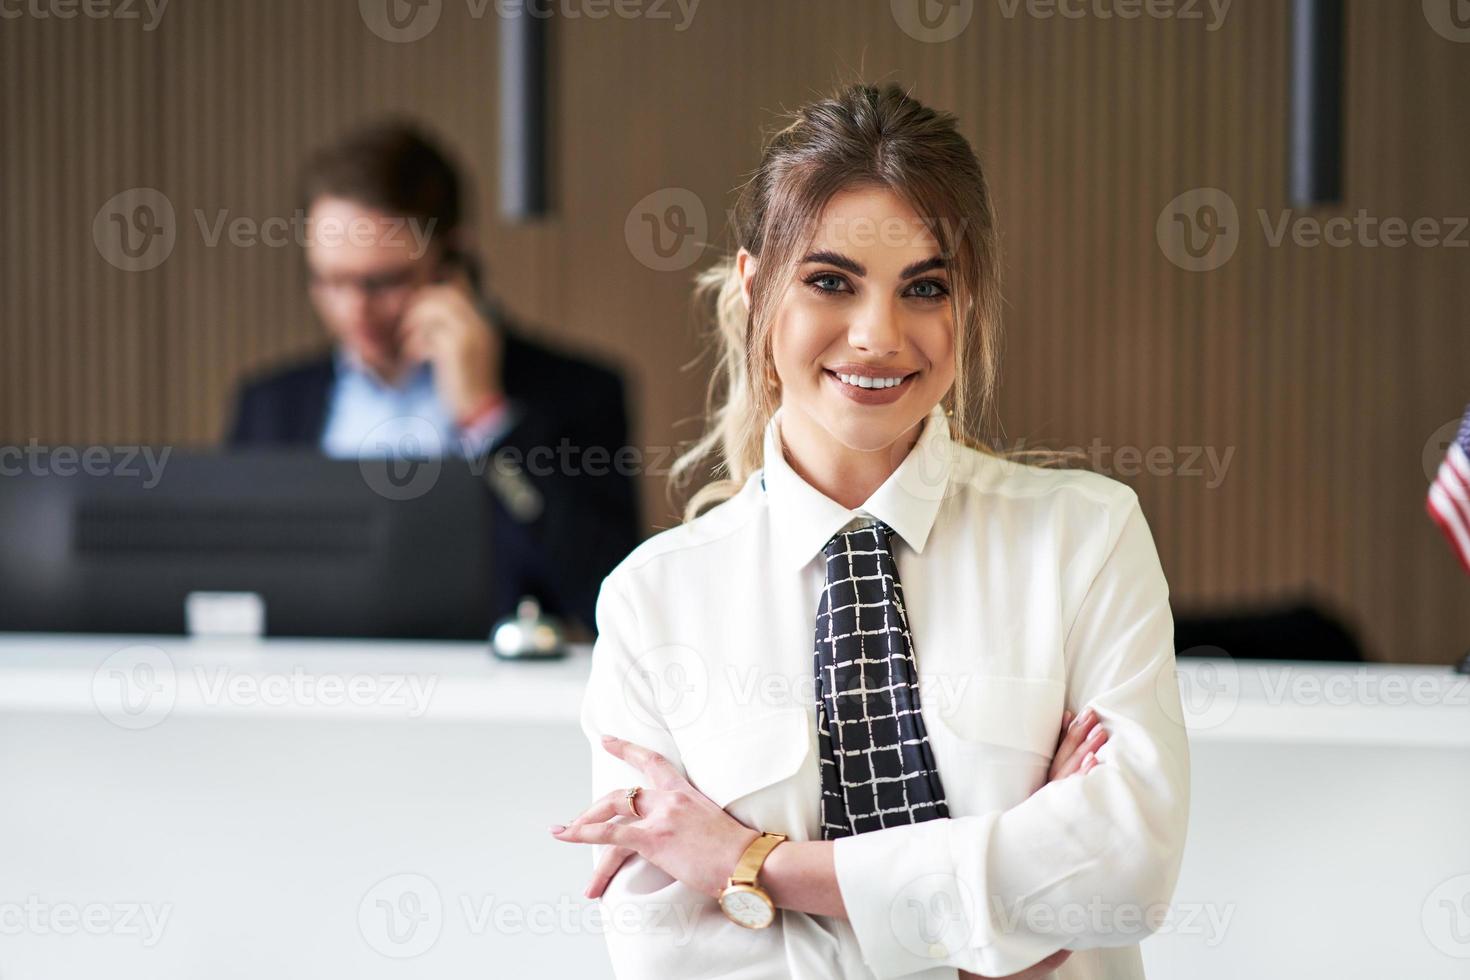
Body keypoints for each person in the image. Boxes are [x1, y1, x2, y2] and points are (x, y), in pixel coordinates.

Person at [555, 84, 1190, 979]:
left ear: (964, 307)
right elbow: (670, 958)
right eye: (830, 282)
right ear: (755, 290)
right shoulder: (654, 600)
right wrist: (999, 943)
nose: (876, 335)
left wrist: (753, 866)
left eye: (923, 287)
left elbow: (1124, 876)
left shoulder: (1084, 541)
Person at [227, 121, 640, 633]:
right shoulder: (270, 407)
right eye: (330, 281)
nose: (354, 310)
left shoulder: (575, 393)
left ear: (452, 261)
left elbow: (605, 593)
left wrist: (488, 419)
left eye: (384, 282)